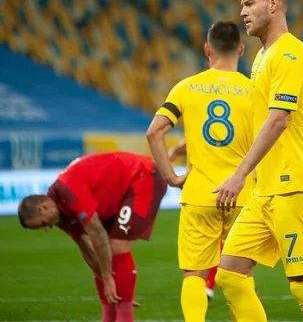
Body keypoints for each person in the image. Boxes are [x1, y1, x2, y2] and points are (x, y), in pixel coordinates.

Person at [212, 0, 303, 322]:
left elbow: (278, 120)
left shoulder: (291, 53)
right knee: (230, 274)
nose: (243, 13)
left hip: (294, 185)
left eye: (250, 3)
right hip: (265, 191)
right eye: (242, 5)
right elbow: (258, 121)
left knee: (302, 283)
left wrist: (238, 175)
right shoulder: (262, 57)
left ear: (273, 3)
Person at [146, 20, 255, 321]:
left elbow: (154, 133)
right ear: (241, 49)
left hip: (199, 194)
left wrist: (171, 178)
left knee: (194, 274)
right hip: (243, 196)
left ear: (207, 49)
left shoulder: (186, 87)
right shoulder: (253, 89)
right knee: (240, 277)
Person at [18, 151, 168, 322]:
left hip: (142, 177)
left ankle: (125, 317)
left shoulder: (69, 191)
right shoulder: (59, 213)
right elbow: (87, 248)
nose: (46, 228)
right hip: (121, 191)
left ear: (43, 208)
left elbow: (97, 232)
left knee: (116, 247)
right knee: (104, 255)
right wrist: (111, 284)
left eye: (43, 223)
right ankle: (109, 316)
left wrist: (109, 278)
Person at [168, 140, 220, 304]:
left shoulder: (199, 119)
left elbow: (154, 132)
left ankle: (206, 286)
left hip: (202, 190)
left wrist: (176, 152)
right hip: (238, 185)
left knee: (203, 249)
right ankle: (241, 283)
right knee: (232, 242)